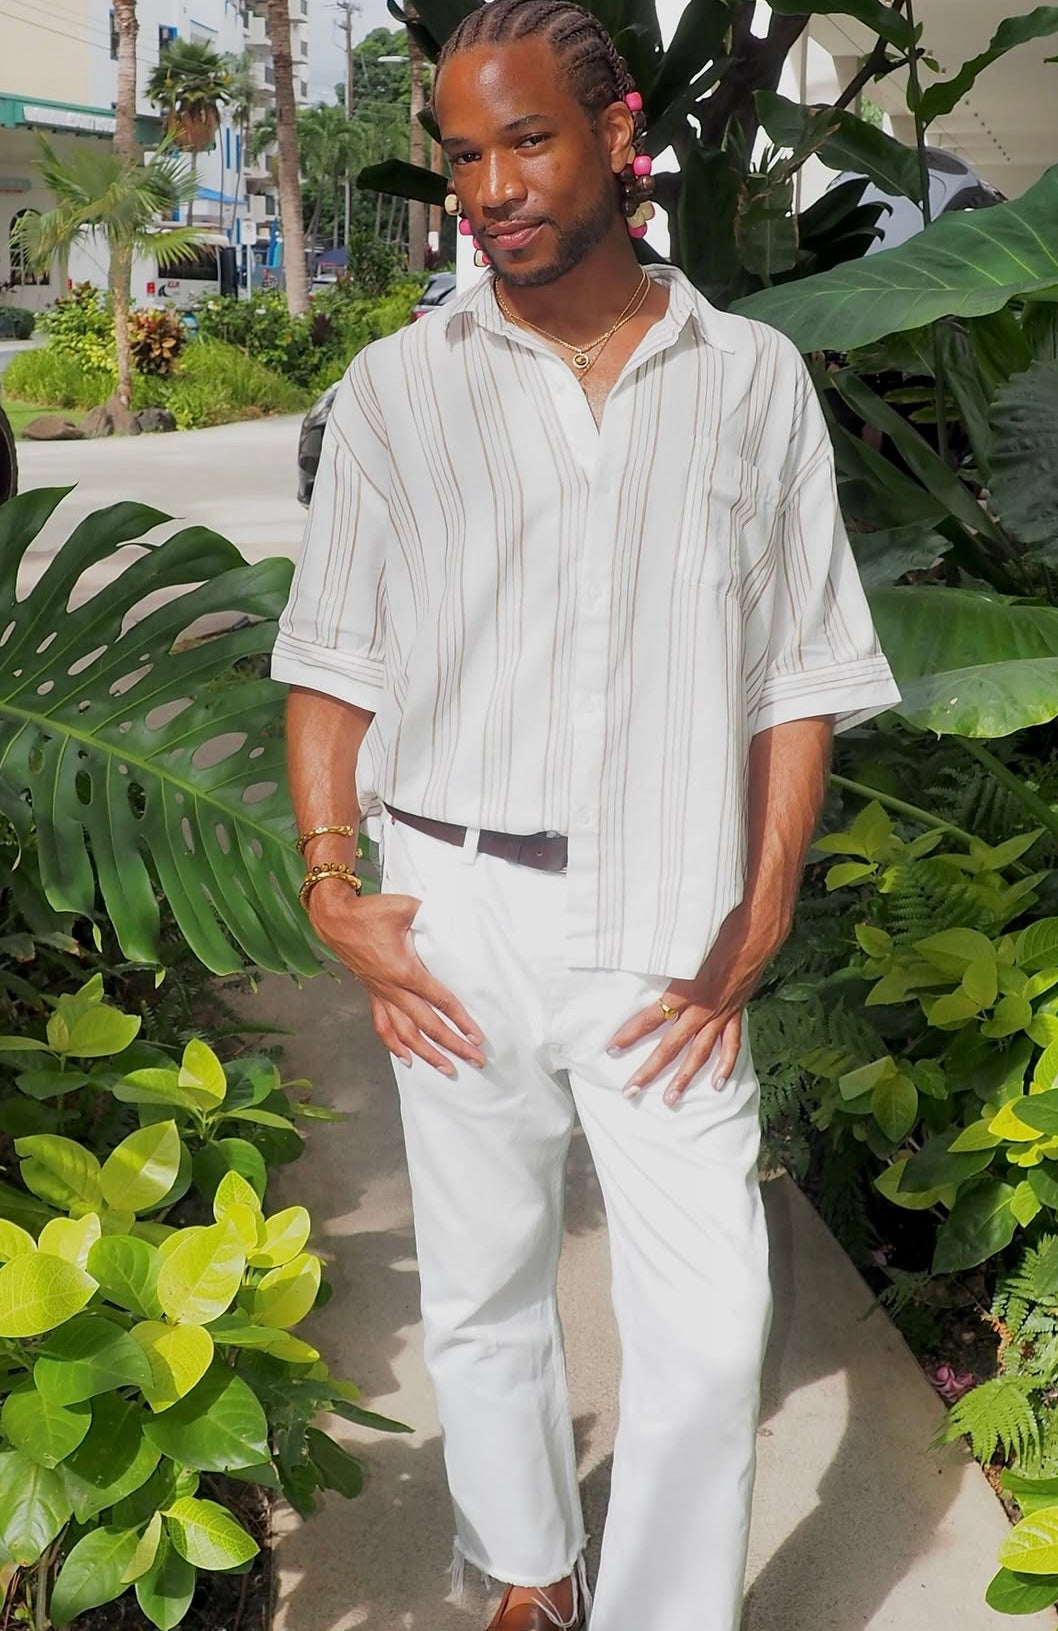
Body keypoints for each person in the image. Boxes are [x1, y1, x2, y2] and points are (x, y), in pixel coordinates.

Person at [272, 1, 901, 1625]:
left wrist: (763, 908)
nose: (490, 188)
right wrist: (335, 891)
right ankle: (529, 1575)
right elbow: (331, 662)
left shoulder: (749, 382)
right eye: (461, 156)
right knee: (482, 1286)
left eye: (526, 140)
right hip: (455, 910)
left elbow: (797, 670)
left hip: (672, 913)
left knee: (708, 1324)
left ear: (619, 138)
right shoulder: (397, 392)